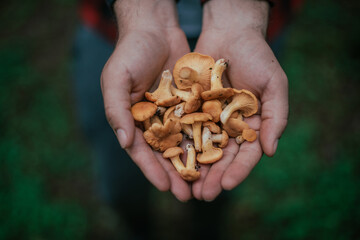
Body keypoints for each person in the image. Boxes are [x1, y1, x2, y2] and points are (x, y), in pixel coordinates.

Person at [74, 0, 302, 238]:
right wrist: (141, 16)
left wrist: (242, 10)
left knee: (218, 188)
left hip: (252, 33)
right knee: (121, 185)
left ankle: (207, 229)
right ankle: (139, 229)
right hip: (112, 32)